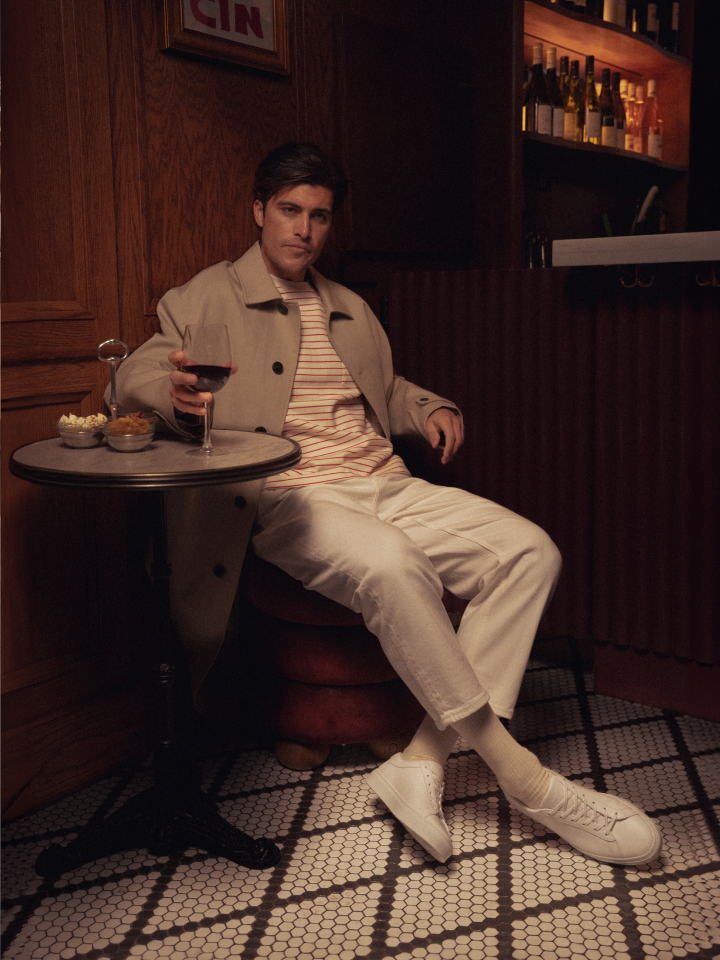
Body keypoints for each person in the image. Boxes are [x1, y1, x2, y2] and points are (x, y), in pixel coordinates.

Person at [114, 142, 662, 867]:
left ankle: (420, 761)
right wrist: (172, 392)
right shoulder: (204, 297)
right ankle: (525, 781)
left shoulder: (350, 308)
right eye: (289, 210)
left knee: (531, 552)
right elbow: (134, 375)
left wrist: (428, 405)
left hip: (386, 482)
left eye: (319, 216)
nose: (303, 229)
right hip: (291, 495)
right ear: (258, 209)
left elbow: (381, 388)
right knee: (395, 564)